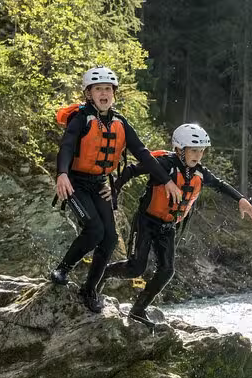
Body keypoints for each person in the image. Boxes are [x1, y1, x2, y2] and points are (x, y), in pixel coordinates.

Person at [99, 123, 252, 327]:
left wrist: (240, 199)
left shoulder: (200, 173)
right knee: (136, 268)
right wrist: (114, 190)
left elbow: (219, 184)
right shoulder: (164, 163)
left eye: (201, 151)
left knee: (166, 271)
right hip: (147, 221)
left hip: (168, 227)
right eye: (193, 150)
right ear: (179, 149)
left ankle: (138, 310)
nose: (198, 155)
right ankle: (103, 273)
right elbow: (131, 170)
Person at [50, 66, 180, 313]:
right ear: (89, 94)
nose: (104, 93)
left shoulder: (120, 122)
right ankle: (62, 269)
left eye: (108, 89)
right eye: (98, 89)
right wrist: (62, 174)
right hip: (75, 182)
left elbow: (143, 154)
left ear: (113, 94)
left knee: (109, 238)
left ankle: (89, 288)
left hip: (99, 185)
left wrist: (166, 180)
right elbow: (67, 146)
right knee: (95, 230)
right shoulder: (81, 118)